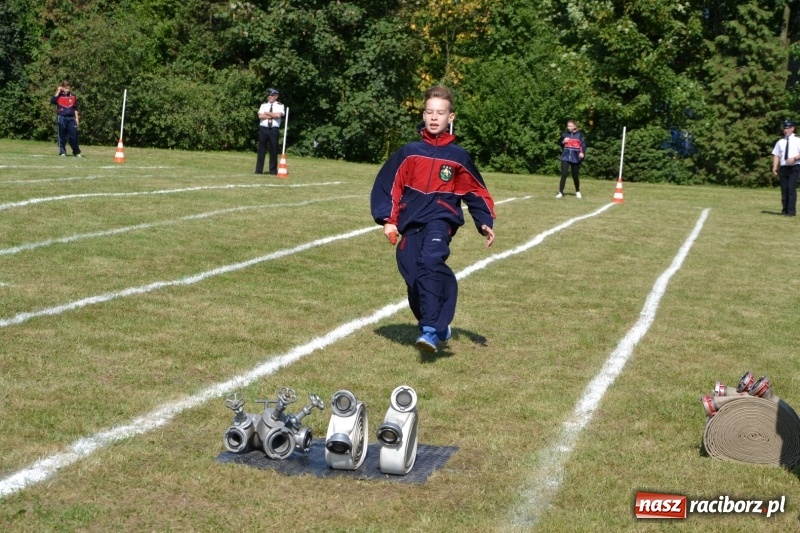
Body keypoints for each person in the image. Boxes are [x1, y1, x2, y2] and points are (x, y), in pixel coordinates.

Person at [371, 85, 496, 353]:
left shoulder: (458, 157)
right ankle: (439, 327)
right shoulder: (409, 152)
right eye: (429, 112)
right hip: (412, 223)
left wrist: (484, 220)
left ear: (451, 117)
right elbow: (389, 185)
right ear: (423, 114)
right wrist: (388, 219)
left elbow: (475, 191)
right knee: (413, 277)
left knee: (431, 261)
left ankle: (430, 331)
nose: (434, 117)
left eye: (440, 113)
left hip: (441, 220)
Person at [771, 119, 800, 217]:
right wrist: (775, 166)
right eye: (784, 128)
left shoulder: (798, 140)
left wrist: (794, 158)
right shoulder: (780, 142)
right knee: (784, 189)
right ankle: (785, 210)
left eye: (788, 128)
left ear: (792, 128)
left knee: (791, 188)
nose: (785, 130)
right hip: (783, 168)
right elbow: (776, 155)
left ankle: (791, 211)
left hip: (794, 166)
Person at [255, 88, 285, 175]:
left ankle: (273, 171)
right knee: (261, 149)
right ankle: (258, 170)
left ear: (276, 96)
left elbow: (278, 115)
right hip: (264, 129)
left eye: (272, 95)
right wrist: (273, 115)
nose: (270, 96)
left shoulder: (280, 105)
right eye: (269, 95)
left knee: (273, 149)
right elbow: (260, 116)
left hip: (274, 130)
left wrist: (267, 113)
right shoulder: (263, 105)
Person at [51, 80, 82, 157]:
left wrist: (77, 118)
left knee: (73, 136)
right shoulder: (59, 96)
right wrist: (58, 91)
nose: (66, 90)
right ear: (62, 87)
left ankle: (76, 152)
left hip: (71, 118)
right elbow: (53, 101)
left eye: (68, 88)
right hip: (61, 117)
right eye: (65, 88)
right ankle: (62, 152)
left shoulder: (73, 96)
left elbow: (75, 108)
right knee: (62, 136)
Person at [556, 119, 586, 198]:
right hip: (565, 157)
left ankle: (577, 191)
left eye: (571, 126)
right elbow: (559, 142)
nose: (569, 128)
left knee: (575, 176)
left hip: (575, 157)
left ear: (575, 126)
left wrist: (582, 152)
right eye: (568, 126)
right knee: (564, 174)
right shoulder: (565, 134)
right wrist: (563, 141)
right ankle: (560, 192)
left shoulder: (580, 135)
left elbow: (583, 145)